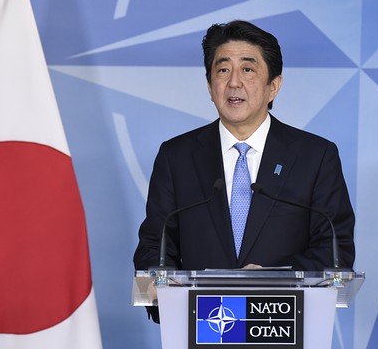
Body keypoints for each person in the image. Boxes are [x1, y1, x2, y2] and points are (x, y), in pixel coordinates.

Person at [133, 20, 355, 302]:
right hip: (202, 326)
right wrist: (171, 297)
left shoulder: (315, 157)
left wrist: (273, 283)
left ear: (273, 86)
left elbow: (336, 249)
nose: (234, 82)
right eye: (223, 70)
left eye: (248, 70)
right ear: (210, 85)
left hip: (283, 325)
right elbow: (155, 247)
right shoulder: (176, 157)